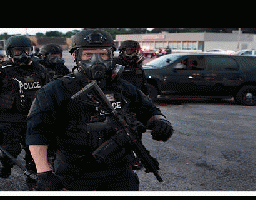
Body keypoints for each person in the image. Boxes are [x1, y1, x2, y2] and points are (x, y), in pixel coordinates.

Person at [26, 29, 174, 191]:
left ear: (111, 56)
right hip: (75, 173)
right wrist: (43, 171)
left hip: (119, 171)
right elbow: (37, 132)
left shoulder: (122, 87)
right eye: (88, 54)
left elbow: (149, 110)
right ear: (75, 56)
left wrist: (160, 122)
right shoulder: (55, 90)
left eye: (103, 54)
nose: (96, 60)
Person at [0, 35, 50, 189]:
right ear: (10, 53)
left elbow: (49, 93)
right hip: (8, 119)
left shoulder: (39, 70)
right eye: (18, 52)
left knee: (34, 152)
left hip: (33, 119)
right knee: (9, 151)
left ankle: (32, 178)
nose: (24, 55)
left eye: (27, 51)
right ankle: (6, 165)